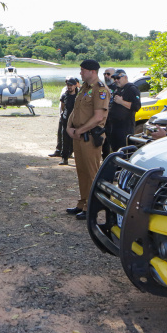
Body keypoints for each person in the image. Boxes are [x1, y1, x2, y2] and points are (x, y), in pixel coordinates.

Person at [65, 60, 109, 221]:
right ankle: (82, 203)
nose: (80, 73)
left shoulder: (100, 89)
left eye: (83, 70)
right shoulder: (83, 87)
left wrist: (79, 130)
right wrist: (69, 128)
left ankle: (91, 207)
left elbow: (99, 117)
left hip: (90, 137)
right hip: (78, 135)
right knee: (81, 171)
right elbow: (75, 111)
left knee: (91, 173)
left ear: (92, 71)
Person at [103, 68, 142, 156]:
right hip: (113, 126)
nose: (116, 80)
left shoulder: (132, 89)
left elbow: (137, 106)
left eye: (118, 78)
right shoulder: (117, 89)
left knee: (123, 151)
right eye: (114, 78)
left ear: (125, 77)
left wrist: (121, 102)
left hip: (124, 127)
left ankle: (123, 167)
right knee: (115, 149)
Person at [54, 78, 79, 165]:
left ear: (75, 85)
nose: (69, 87)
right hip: (66, 120)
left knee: (76, 140)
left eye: (71, 85)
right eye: (68, 85)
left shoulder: (78, 96)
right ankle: (64, 158)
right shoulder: (64, 95)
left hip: (76, 121)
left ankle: (76, 157)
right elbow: (63, 107)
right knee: (65, 139)